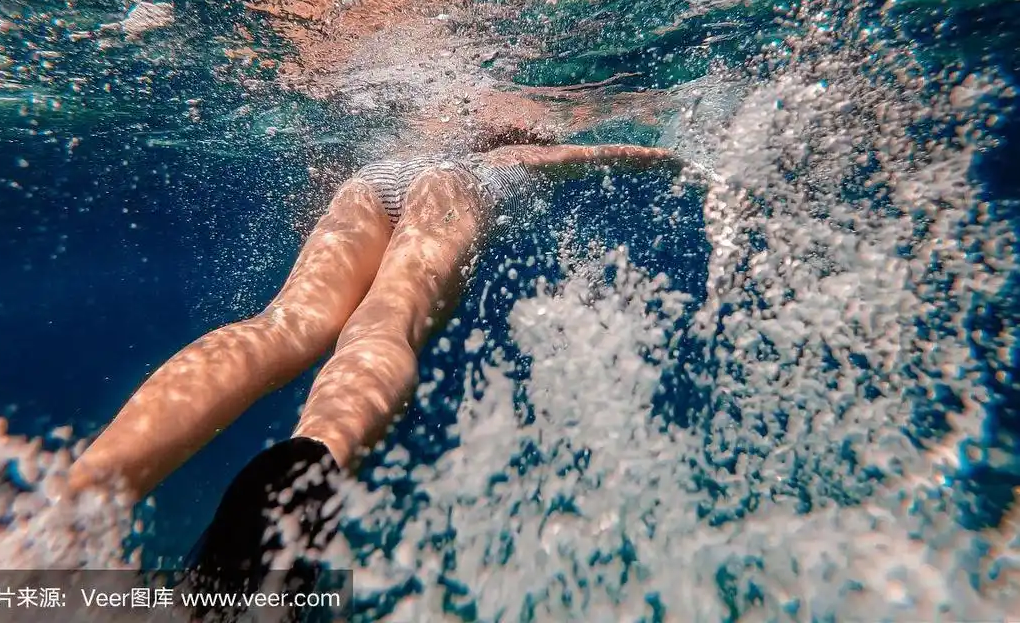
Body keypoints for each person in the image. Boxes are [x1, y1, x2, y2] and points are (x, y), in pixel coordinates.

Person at [65, 141, 691, 588]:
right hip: (457, 187)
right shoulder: (507, 157)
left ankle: (75, 500)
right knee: (384, 327)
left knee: (284, 324)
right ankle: (302, 474)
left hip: (373, 177)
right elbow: (589, 155)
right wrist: (663, 158)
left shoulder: (389, 139)